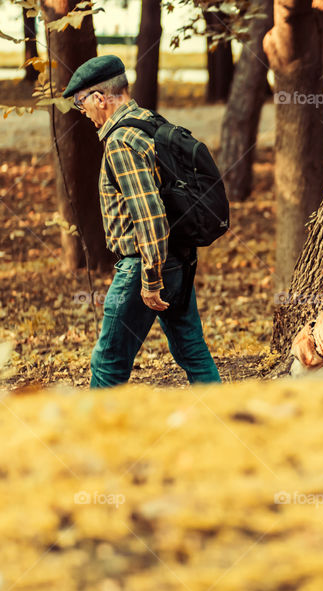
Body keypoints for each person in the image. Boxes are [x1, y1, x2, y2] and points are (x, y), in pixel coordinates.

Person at [63, 55, 221, 388]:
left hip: (145, 266)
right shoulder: (148, 121)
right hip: (178, 257)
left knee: (108, 362)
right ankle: (224, 422)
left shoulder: (121, 142)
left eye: (81, 103)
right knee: (192, 349)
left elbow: (148, 213)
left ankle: (95, 436)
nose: (84, 112)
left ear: (100, 98)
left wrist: (150, 278)